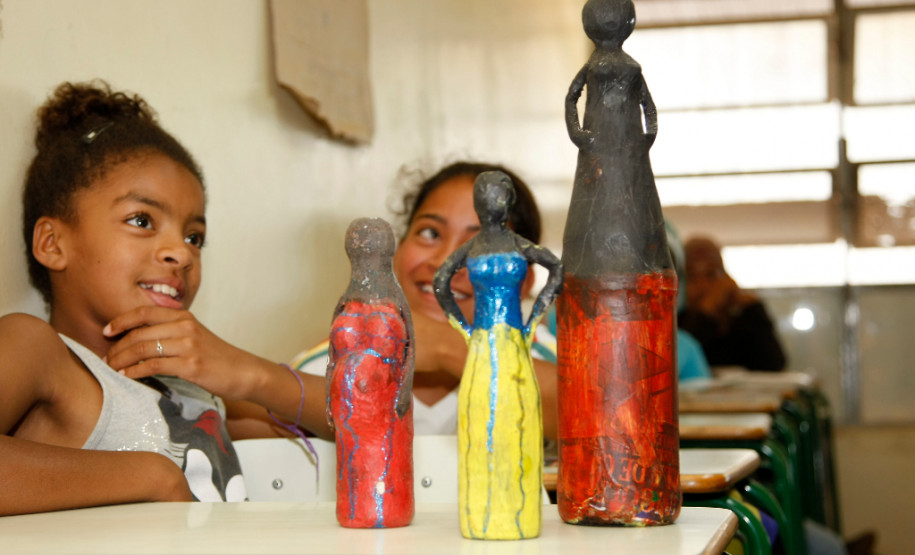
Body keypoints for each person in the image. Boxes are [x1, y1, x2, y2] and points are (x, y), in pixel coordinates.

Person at [0, 80, 330, 516]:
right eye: (142, 220)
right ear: (53, 244)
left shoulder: (195, 392)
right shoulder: (38, 351)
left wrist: (250, 373)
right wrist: (151, 477)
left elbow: (372, 426)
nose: (181, 252)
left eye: (195, 236)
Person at [292, 161, 562, 439]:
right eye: (430, 233)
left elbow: (588, 412)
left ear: (523, 282)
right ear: (396, 253)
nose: (442, 262)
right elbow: (256, 421)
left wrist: (446, 347)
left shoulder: (550, 359)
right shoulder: (336, 356)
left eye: (481, 243)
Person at [678, 236, 787, 371]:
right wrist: (706, 311)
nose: (703, 285)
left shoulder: (744, 315)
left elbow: (774, 366)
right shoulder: (676, 322)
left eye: (711, 274)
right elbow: (680, 360)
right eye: (692, 276)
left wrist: (754, 310)